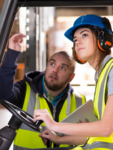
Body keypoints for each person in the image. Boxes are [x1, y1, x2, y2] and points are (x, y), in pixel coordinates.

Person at [34, 14, 113, 150]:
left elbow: (106, 129)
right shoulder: (101, 75)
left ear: (103, 39)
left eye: (84, 35)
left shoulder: (111, 71)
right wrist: (58, 138)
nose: (77, 42)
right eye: (75, 39)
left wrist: (54, 125)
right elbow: (95, 134)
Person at [0, 33, 86, 149]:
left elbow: (89, 140)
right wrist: (12, 54)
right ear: (46, 66)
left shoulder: (80, 103)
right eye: (52, 64)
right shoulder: (24, 90)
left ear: (71, 77)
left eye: (62, 67)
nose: (55, 70)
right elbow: (2, 95)